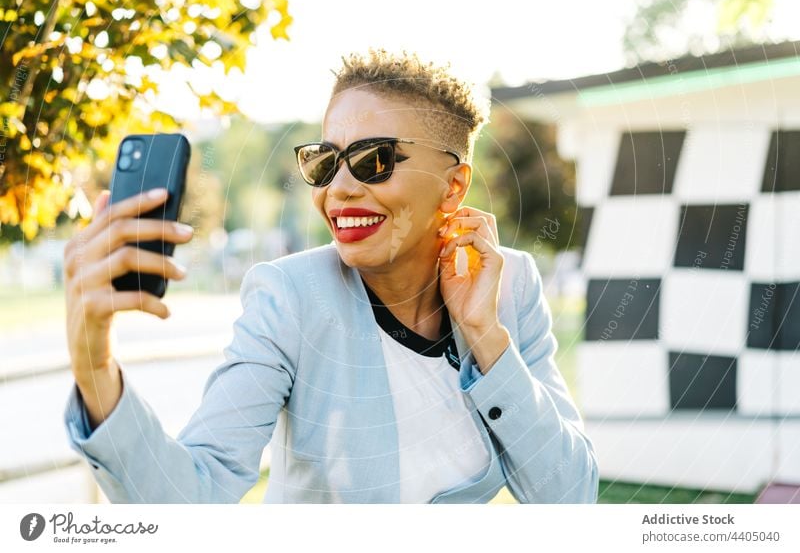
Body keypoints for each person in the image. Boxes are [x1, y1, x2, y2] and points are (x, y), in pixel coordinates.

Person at [63, 48, 599, 504]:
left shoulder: (511, 287)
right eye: (325, 161)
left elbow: (569, 494)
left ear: (453, 186)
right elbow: (195, 497)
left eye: (374, 160)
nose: (337, 189)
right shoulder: (291, 297)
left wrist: (486, 335)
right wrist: (94, 361)